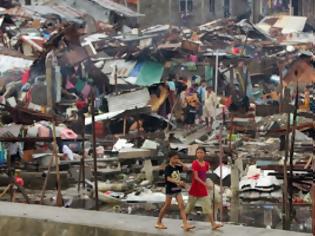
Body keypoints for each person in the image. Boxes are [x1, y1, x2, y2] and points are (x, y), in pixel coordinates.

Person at [185, 147, 223, 230]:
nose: (199, 154)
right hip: (195, 188)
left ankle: (213, 224)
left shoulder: (206, 164)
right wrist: (205, 184)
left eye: (201, 152)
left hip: (202, 189)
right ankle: (184, 222)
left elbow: (204, 176)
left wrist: (207, 182)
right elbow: (196, 177)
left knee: (207, 206)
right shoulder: (195, 163)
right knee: (189, 207)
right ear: (196, 154)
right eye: (198, 152)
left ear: (204, 154)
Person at [155, 151, 194, 231]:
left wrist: (180, 162)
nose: (176, 160)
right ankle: (158, 222)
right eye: (174, 158)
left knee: (182, 205)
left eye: (177, 158)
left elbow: (187, 168)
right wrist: (178, 182)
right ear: (170, 158)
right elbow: (168, 178)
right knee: (167, 206)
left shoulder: (177, 167)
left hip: (177, 189)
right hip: (170, 189)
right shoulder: (168, 167)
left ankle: (185, 223)